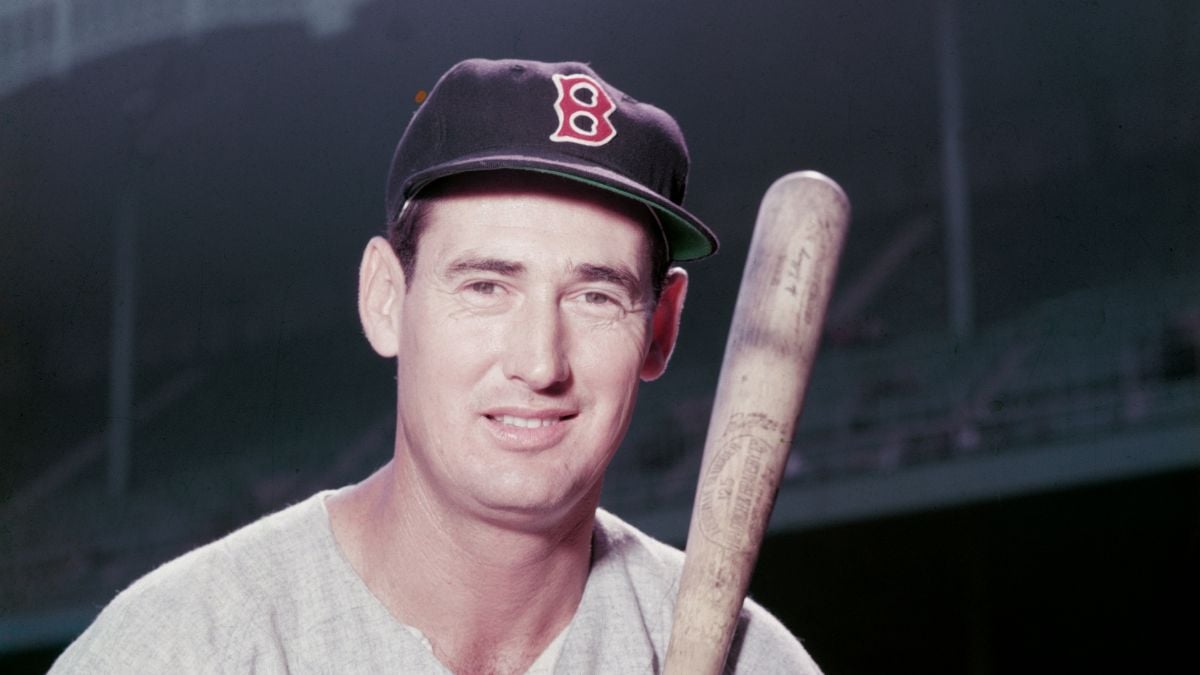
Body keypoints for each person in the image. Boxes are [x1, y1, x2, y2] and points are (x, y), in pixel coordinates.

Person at [51, 58, 822, 674]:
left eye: (594, 295)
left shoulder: (753, 663)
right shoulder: (185, 648)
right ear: (386, 297)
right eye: (487, 286)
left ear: (659, 329)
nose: (539, 360)